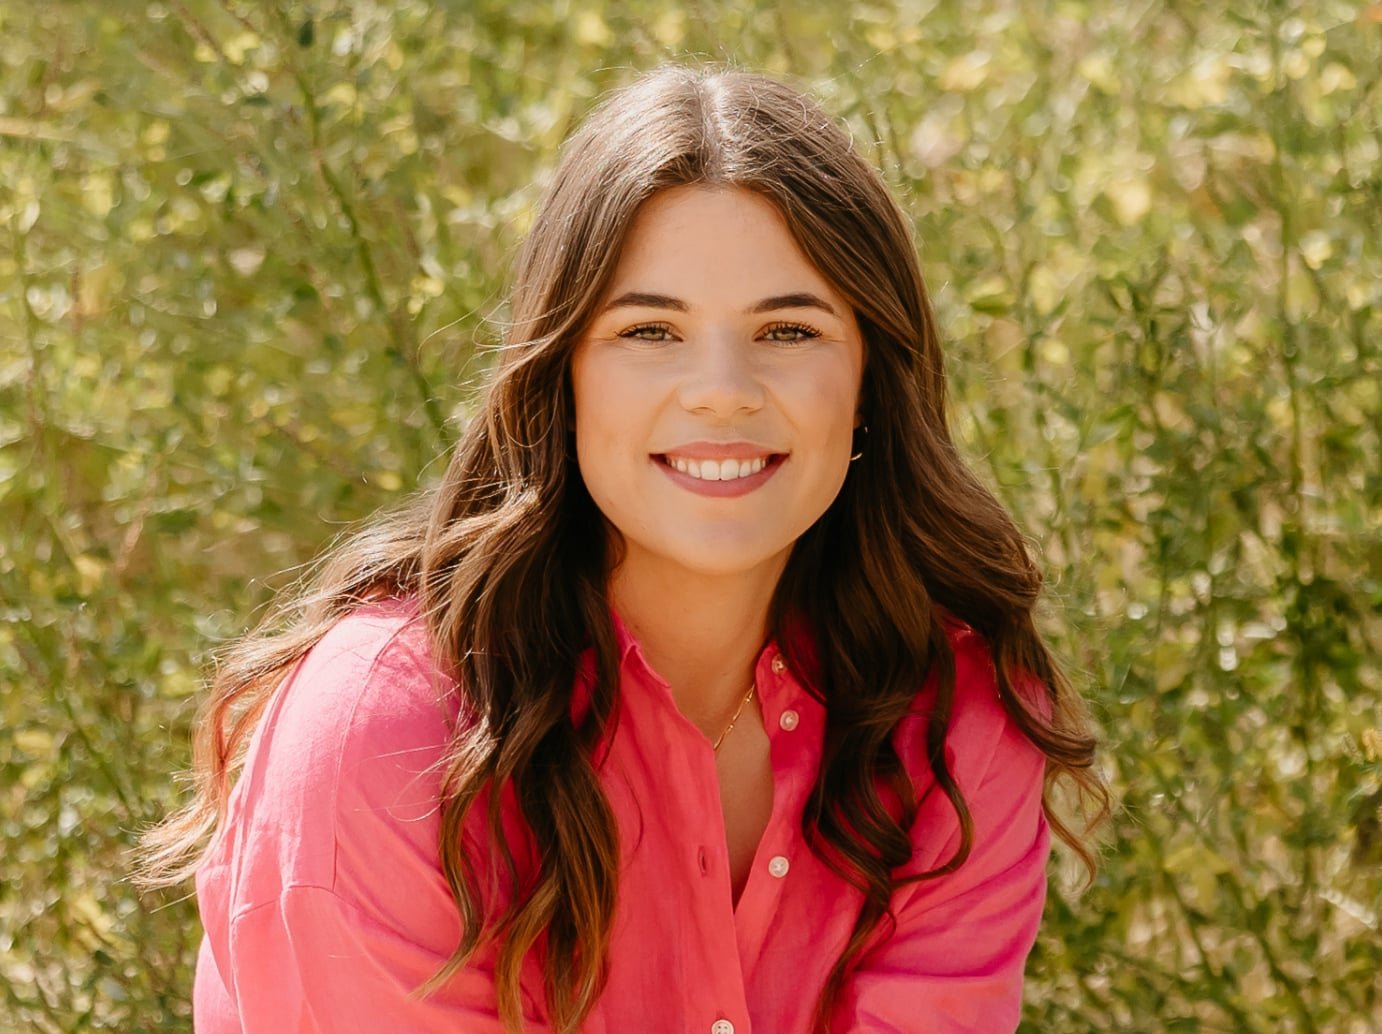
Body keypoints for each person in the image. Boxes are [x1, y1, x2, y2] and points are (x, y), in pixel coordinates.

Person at [140, 65, 1105, 1033]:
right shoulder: (384, 735)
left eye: (787, 329)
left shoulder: (955, 721)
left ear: (869, 381)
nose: (721, 390)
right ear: (561, 377)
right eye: (649, 330)